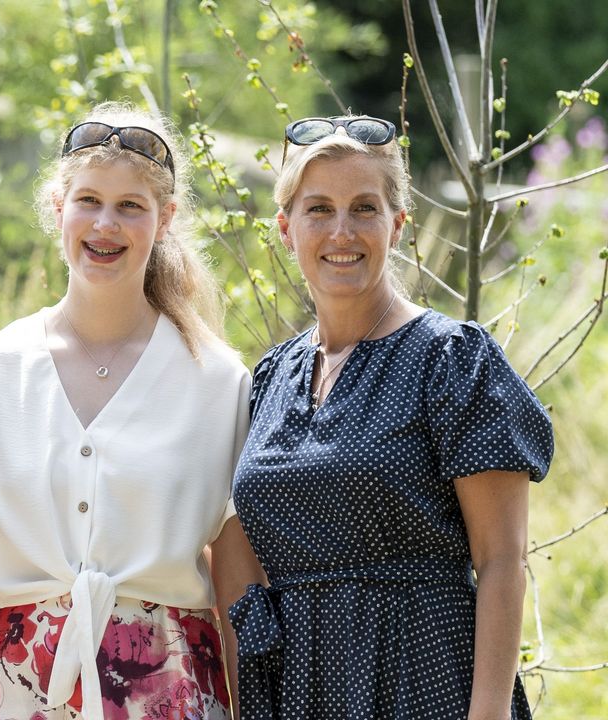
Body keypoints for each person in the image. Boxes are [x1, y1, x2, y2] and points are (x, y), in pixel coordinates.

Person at [0, 102, 265, 720]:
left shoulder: (220, 382)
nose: (105, 224)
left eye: (131, 206)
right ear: (57, 207)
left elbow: (238, 588)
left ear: (165, 219)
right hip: (19, 695)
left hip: (173, 695)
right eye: (88, 200)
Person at [230, 115, 554, 719]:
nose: (341, 231)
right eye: (319, 209)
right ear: (285, 228)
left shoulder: (452, 360)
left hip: (426, 682)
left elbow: (502, 561)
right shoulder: (269, 378)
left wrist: (487, 714)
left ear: (398, 224)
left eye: (365, 208)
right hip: (300, 688)